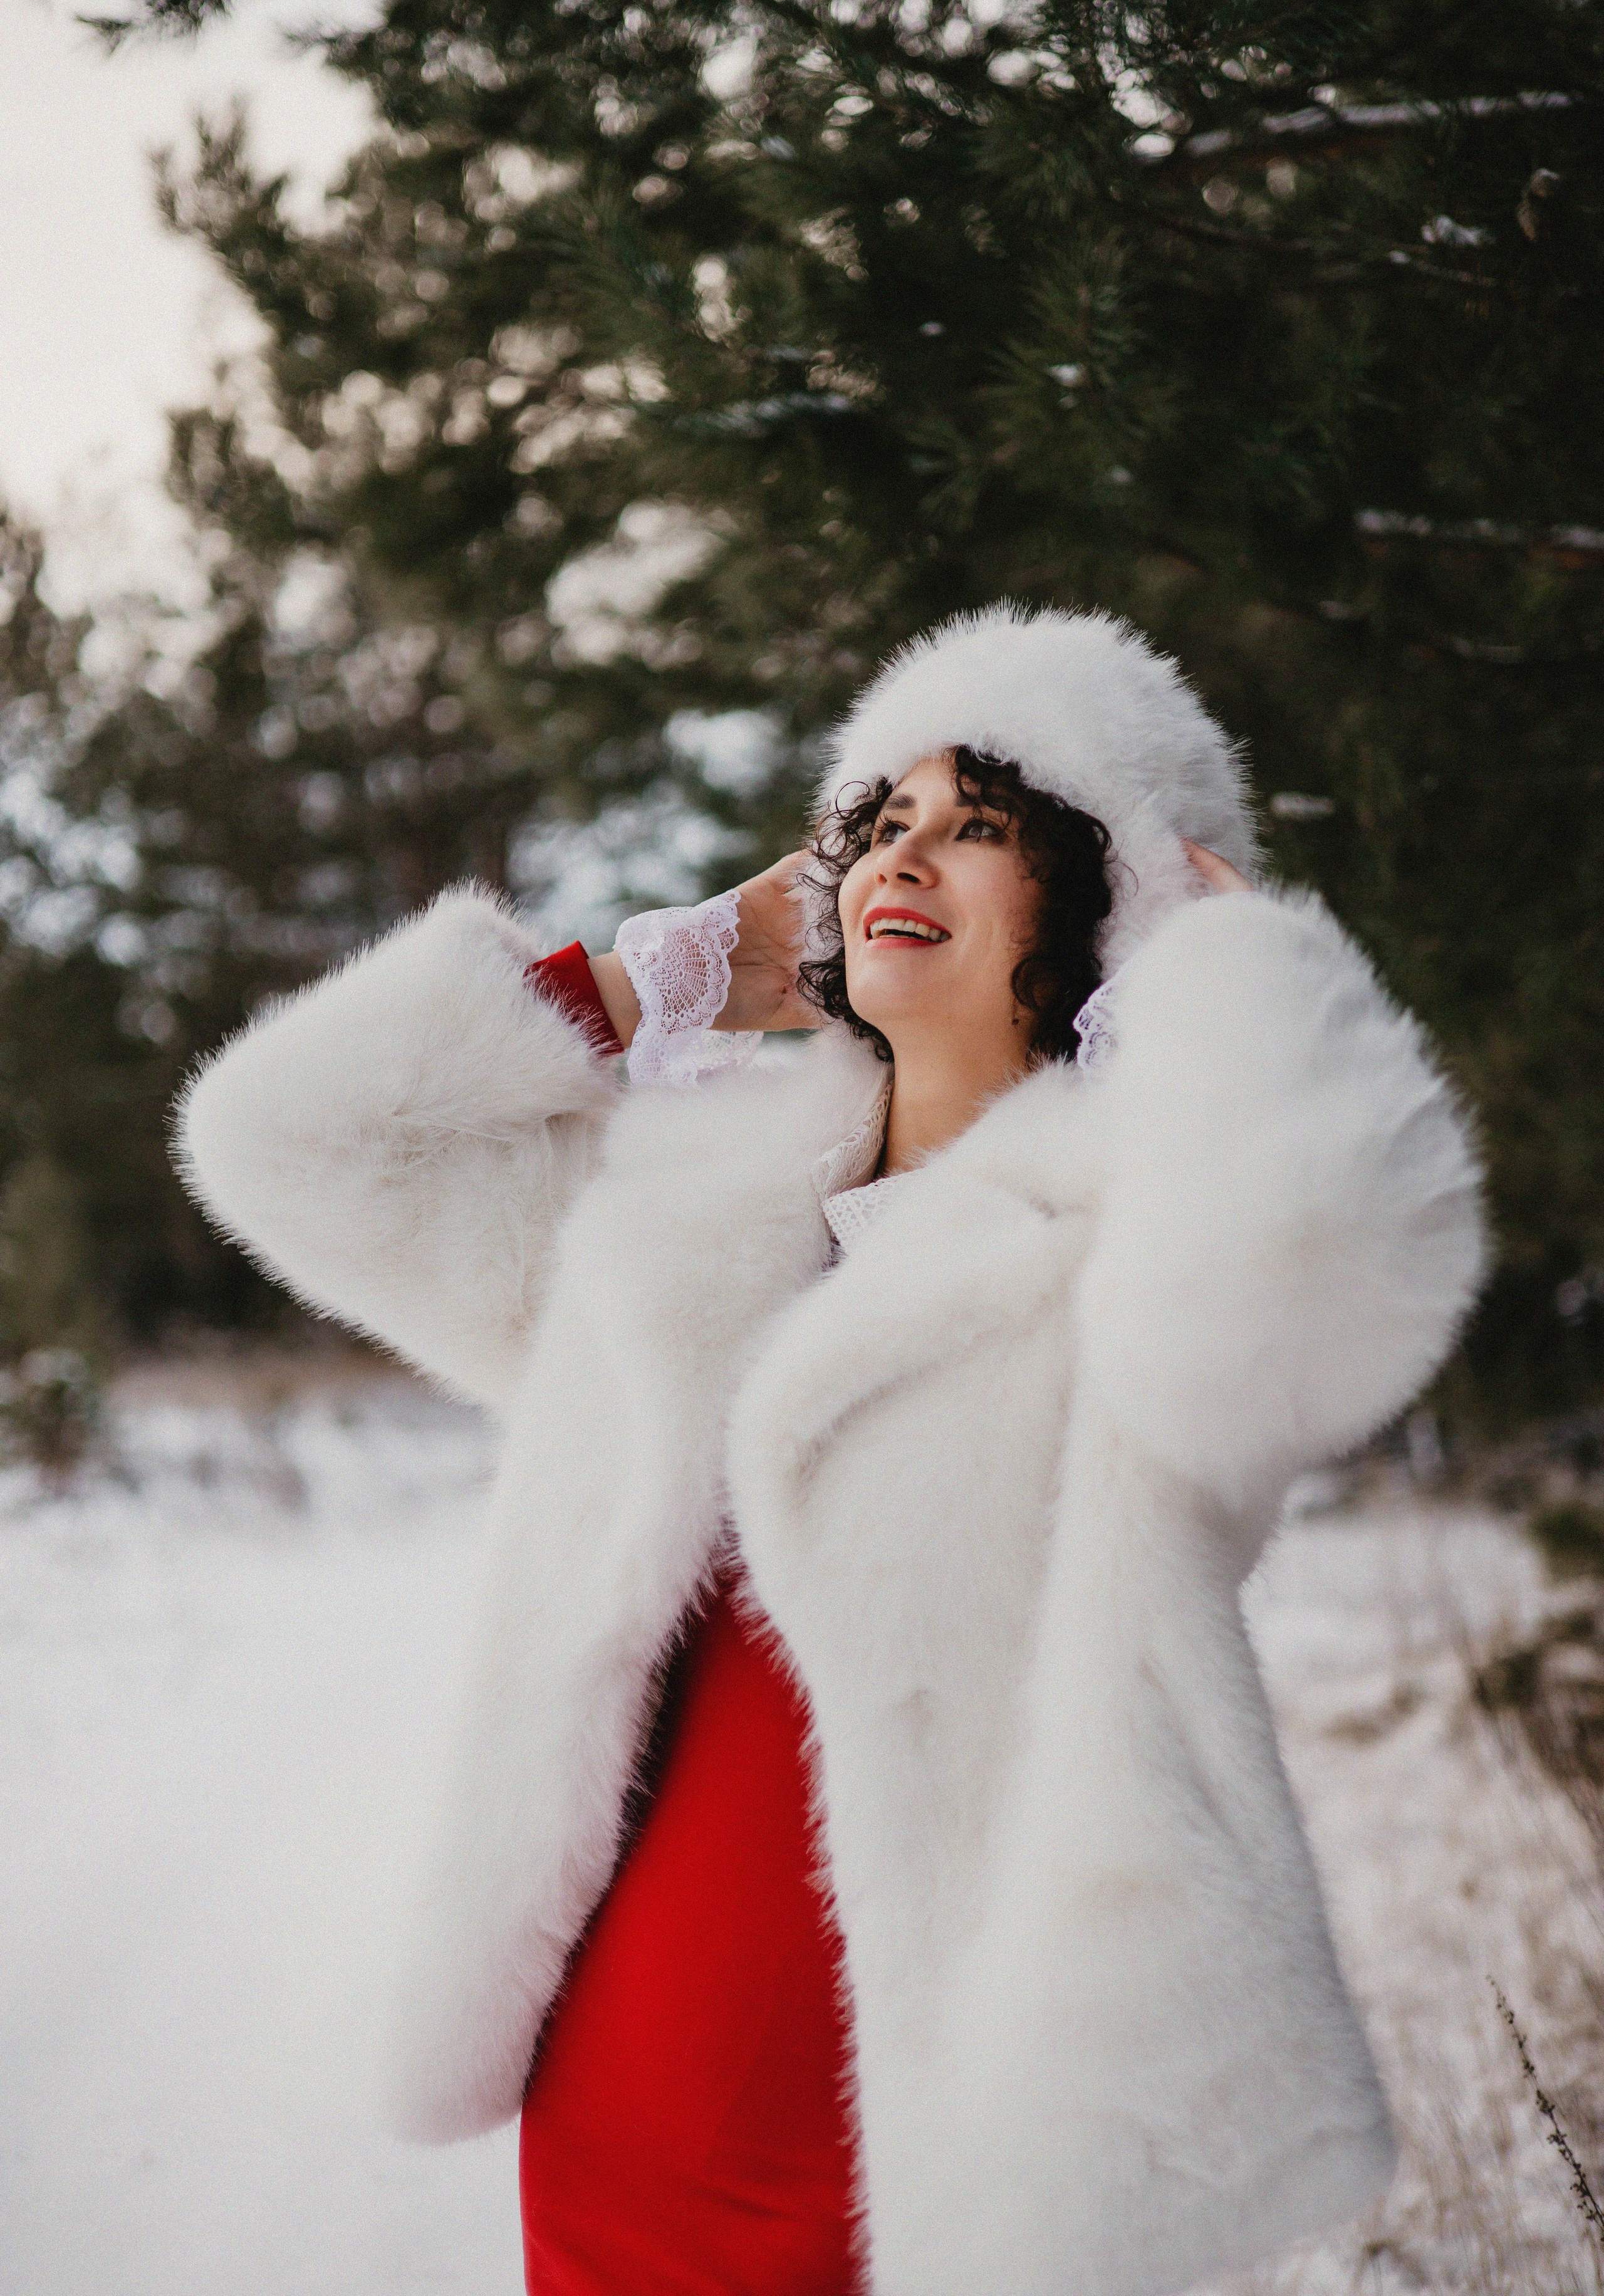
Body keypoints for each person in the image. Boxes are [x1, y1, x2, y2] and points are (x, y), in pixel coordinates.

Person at [177, 605, 1485, 2296]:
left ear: (1106, 906)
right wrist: (666, 968)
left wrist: (1245, 955)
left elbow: (1335, 1291)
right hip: (626, 2108)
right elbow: (286, 1146)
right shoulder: (667, 1218)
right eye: (878, 819)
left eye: (983, 824)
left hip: (976, 2157)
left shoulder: (1141, 1253)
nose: (904, 852)